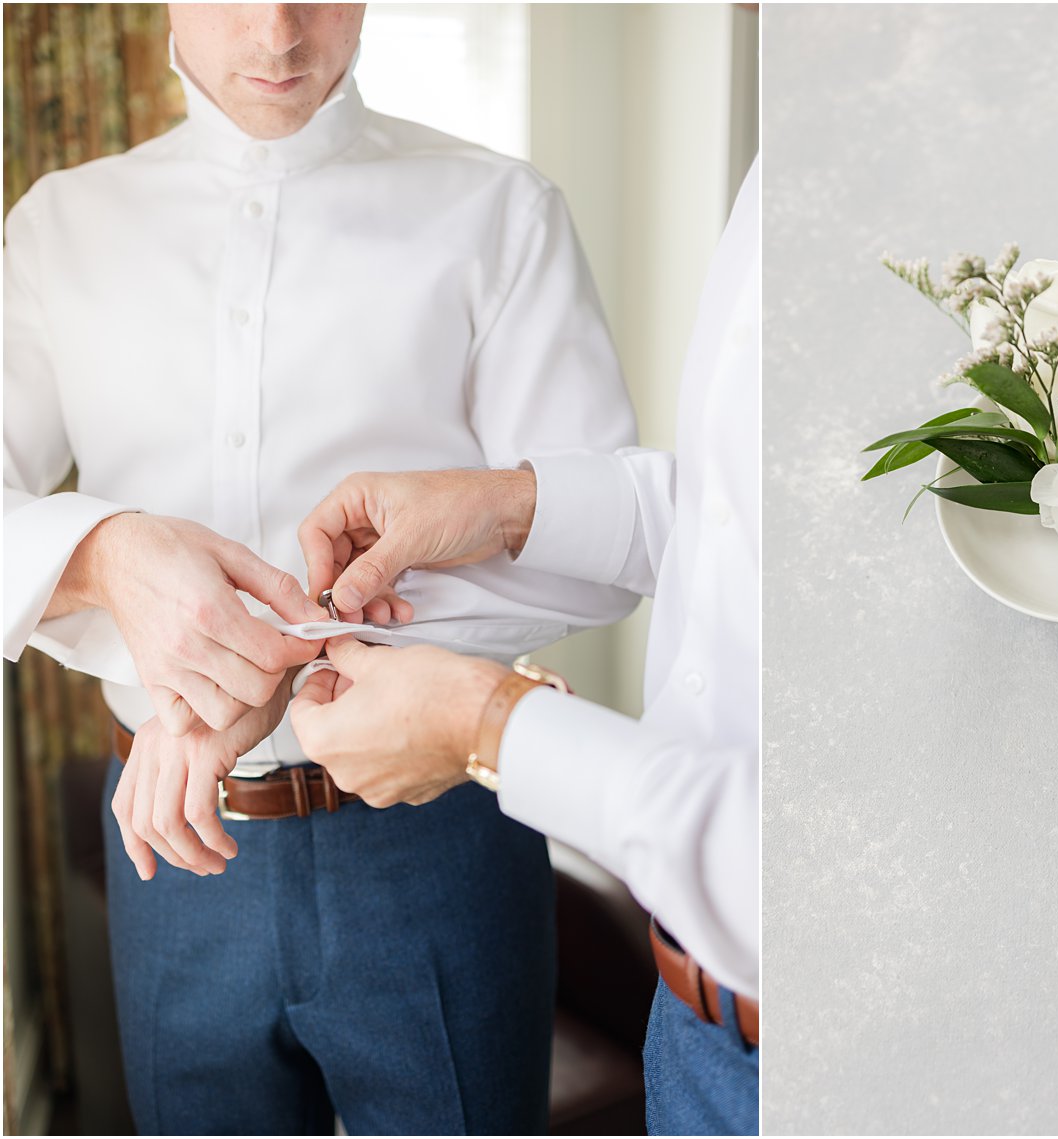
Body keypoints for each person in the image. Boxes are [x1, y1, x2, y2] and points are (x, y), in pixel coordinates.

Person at [3, 4, 638, 1133]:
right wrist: (103, 553)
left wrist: (268, 663)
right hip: (171, 849)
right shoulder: (60, 228)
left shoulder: (500, 212)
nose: (280, 32)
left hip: (441, 835)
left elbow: (600, 555)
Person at [289, 159, 760, 1135]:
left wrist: (484, 721)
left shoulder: (505, 208)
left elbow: (798, 870)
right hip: (690, 1027)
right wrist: (506, 503)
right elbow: (747, 526)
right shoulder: (776, 173)